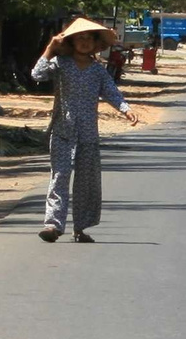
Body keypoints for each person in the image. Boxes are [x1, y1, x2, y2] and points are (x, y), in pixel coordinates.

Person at [31, 17, 138, 243]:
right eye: (80, 38)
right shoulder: (60, 64)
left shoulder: (98, 71)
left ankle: (80, 228)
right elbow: (37, 75)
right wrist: (50, 48)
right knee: (59, 177)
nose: (84, 42)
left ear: (96, 43)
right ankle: (52, 225)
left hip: (88, 134)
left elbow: (111, 92)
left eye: (89, 38)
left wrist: (126, 109)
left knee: (86, 181)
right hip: (62, 131)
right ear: (71, 41)